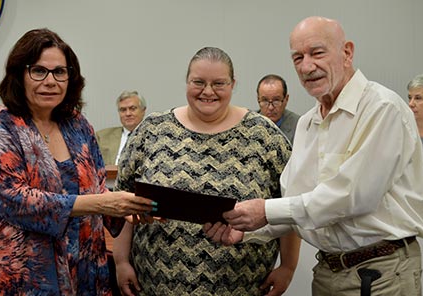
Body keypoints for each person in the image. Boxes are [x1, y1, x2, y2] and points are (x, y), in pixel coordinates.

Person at [204, 16, 423, 296]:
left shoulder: (383, 109)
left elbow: (351, 196)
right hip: (327, 272)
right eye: (297, 57)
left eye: (317, 53)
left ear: (347, 52)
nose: (306, 66)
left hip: (381, 276)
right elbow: (297, 202)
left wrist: (263, 211)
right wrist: (246, 230)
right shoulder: (308, 123)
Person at [0, 28, 155, 295]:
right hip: (17, 278)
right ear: (19, 75)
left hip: (81, 270)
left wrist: (127, 208)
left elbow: (96, 189)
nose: (50, 81)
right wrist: (101, 203)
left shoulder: (78, 125)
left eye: (60, 72)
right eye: (39, 71)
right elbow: (14, 200)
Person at [112, 47, 301, 296]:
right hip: (157, 284)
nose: (208, 91)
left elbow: (289, 206)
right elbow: (124, 199)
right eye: (198, 82)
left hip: (241, 285)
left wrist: (287, 266)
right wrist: (121, 262)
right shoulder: (152, 131)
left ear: (233, 84)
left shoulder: (265, 137)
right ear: (187, 82)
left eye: (219, 83)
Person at [96, 90, 147, 165]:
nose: (128, 113)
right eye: (123, 110)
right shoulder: (102, 137)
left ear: (143, 111)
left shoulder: (154, 136)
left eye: (132, 108)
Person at [256, 74, 300, 144]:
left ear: (286, 99)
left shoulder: (299, 126)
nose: (271, 107)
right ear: (258, 99)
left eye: (276, 100)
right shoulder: (248, 125)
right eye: (265, 100)